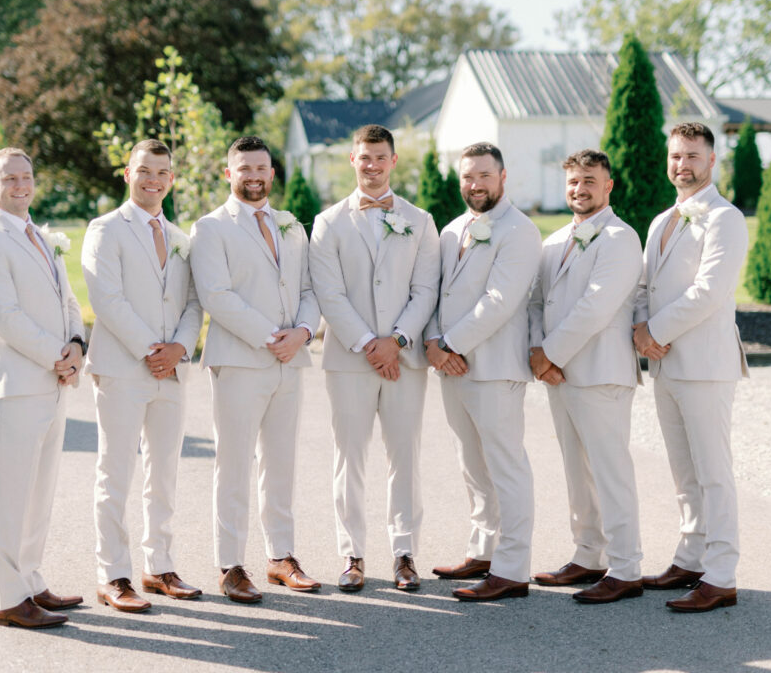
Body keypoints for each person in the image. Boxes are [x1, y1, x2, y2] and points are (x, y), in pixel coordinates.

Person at [189, 136, 322, 603]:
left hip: (291, 359)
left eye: (261, 168)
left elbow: (309, 287)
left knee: (281, 463)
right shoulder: (210, 228)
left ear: (272, 172)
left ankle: (280, 556)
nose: (253, 176)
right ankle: (230, 565)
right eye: (244, 168)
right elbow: (217, 296)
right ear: (229, 174)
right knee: (234, 464)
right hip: (241, 360)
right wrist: (273, 337)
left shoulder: (291, 226)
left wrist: (303, 332)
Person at [309, 124, 440, 592]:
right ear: (352, 160)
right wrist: (369, 343)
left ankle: (405, 554)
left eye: (380, 157)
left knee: (405, 457)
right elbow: (329, 292)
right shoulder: (327, 223)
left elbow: (426, 290)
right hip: (349, 360)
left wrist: (397, 341)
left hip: (404, 361)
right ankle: (352, 554)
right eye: (364, 158)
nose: (372, 165)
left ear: (393, 161)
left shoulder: (421, 221)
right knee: (350, 458)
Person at [0, 147, 85, 628]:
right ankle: (8, 598)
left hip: (54, 381)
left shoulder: (40, 235)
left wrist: (77, 344)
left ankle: (31, 580)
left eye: (27, 176)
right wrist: (58, 357)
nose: (21, 185)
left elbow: (69, 299)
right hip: (14, 385)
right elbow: (4, 318)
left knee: (41, 490)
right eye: (10, 178)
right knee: (10, 493)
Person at [82, 139, 203, 612]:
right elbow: (106, 298)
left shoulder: (181, 237)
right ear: (127, 173)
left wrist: (178, 349)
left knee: (164, 471)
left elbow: (194, 302)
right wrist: (152, 350)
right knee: (116, 472)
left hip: (170, 372)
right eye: (145, 171)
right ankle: (112, 574)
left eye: (162, 172)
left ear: (171, 179)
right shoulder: (104, 229)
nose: (153, 180)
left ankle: (160, 565)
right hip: (122, 368)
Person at [633, 122, 748, 613]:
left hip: (704, 364)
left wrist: (653, 331)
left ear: (712, 161)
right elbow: (643, 288)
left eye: (693, 157)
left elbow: (710, 291)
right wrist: (641, 328)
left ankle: (720, 576)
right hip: (666, 366)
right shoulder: (662, 220)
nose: (682, 165)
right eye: (676, 156)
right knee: (684, 473)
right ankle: (690, 556)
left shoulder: (726, 217)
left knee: (713, 471)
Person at [425, 142, 541, 602]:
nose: (474, 185)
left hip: (494, 367)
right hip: (452, 366)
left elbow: (500, 301)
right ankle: (483, 549)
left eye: (484, 176)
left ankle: (512, 569)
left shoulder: (520, 231)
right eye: (468, 177)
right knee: (472, 465)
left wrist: (449, 344)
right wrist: (433, 345)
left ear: (503, 177)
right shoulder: (453, 230)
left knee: (506, 466)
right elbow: (435, 294)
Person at [528, 149, 645, 604]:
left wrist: (549, 354)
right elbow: (537, 301)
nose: (579, 189)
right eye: (573, 182)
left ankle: (626, 567)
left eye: (589, 181)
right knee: (577, 470)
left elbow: (596, 306)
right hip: (560, 374)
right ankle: (588, 554)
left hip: (600, 371)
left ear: (608, 185)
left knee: (610, 470)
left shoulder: (620, 237)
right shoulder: (555, 240)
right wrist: (540, 352)